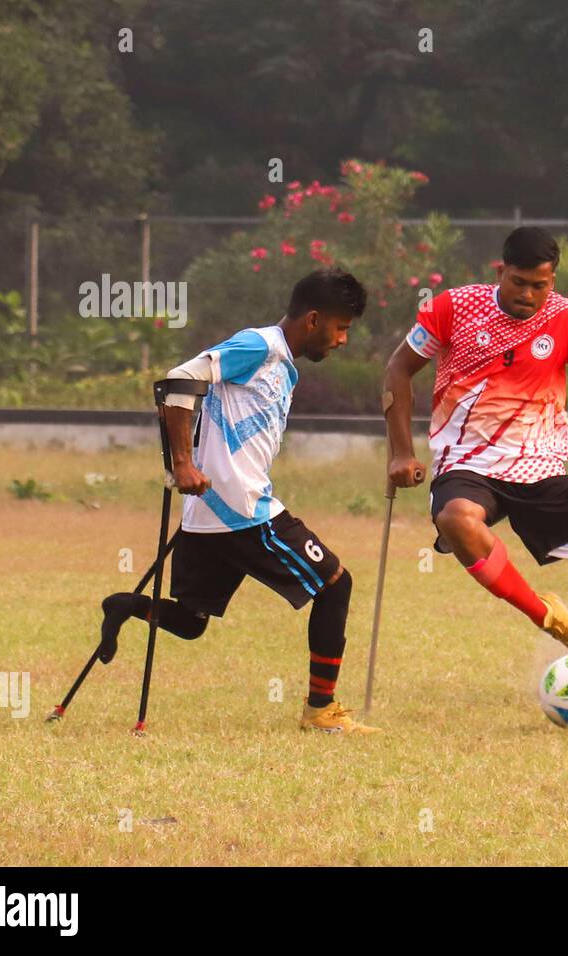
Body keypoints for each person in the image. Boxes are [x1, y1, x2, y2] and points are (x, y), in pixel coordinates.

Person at [97, 268, 378, 735]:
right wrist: (182, 463)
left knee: (190, 622)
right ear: (313, 319)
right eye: (341, 327)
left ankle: (125, 605)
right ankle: (321, 711)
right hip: (243, 511)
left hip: (207, 513)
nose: (343, 339)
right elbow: (178, 380)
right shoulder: (260, 345)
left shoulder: (281, 362)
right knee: (335, 585)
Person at [382, 227, 568, 661]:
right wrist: (401, 452)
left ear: (553, 282)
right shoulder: (453, 307)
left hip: (539, 467)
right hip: (468, 462)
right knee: (455, 521)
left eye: (539, 286)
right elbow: (399, 368)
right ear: (501, 271)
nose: (528, 294)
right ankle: (550, 619)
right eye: (519, 282)